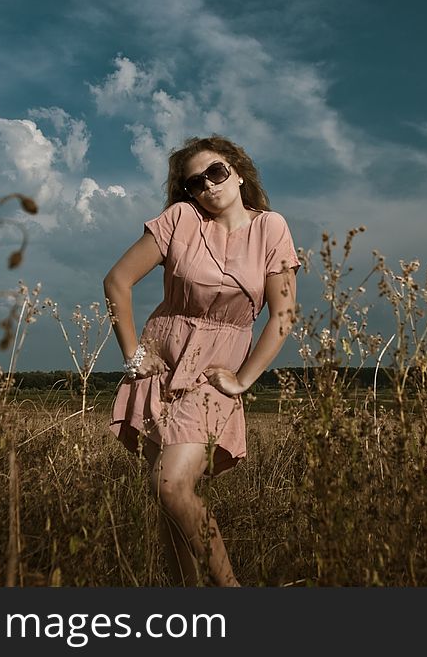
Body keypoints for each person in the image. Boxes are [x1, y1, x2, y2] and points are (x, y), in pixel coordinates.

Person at [103, 135, 299, 586]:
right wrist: (133, 354)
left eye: (215, 172)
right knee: (169, 508)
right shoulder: (180, 219)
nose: (208, 187)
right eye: (195, 183)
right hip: (162, 366)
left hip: (212, 378)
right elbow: (116, 281)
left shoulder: (271, 228)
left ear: (238, 171)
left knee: (170, 485)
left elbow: (283, 314)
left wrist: (243, 380)